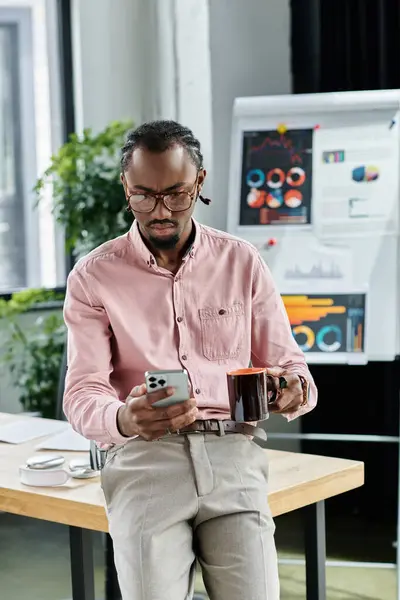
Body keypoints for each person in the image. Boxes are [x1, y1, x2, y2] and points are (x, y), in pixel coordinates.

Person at [63, 120, 317, 600]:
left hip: (234, 458)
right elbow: (82, 393)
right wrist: (123, 416)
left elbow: (295, 368)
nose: (159, 212)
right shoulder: (93, 277)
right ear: (126, 187)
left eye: (176, 194)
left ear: (199, 183)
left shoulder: (242, 262)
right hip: (144, 462)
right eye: (143, 195)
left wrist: (292, 388)